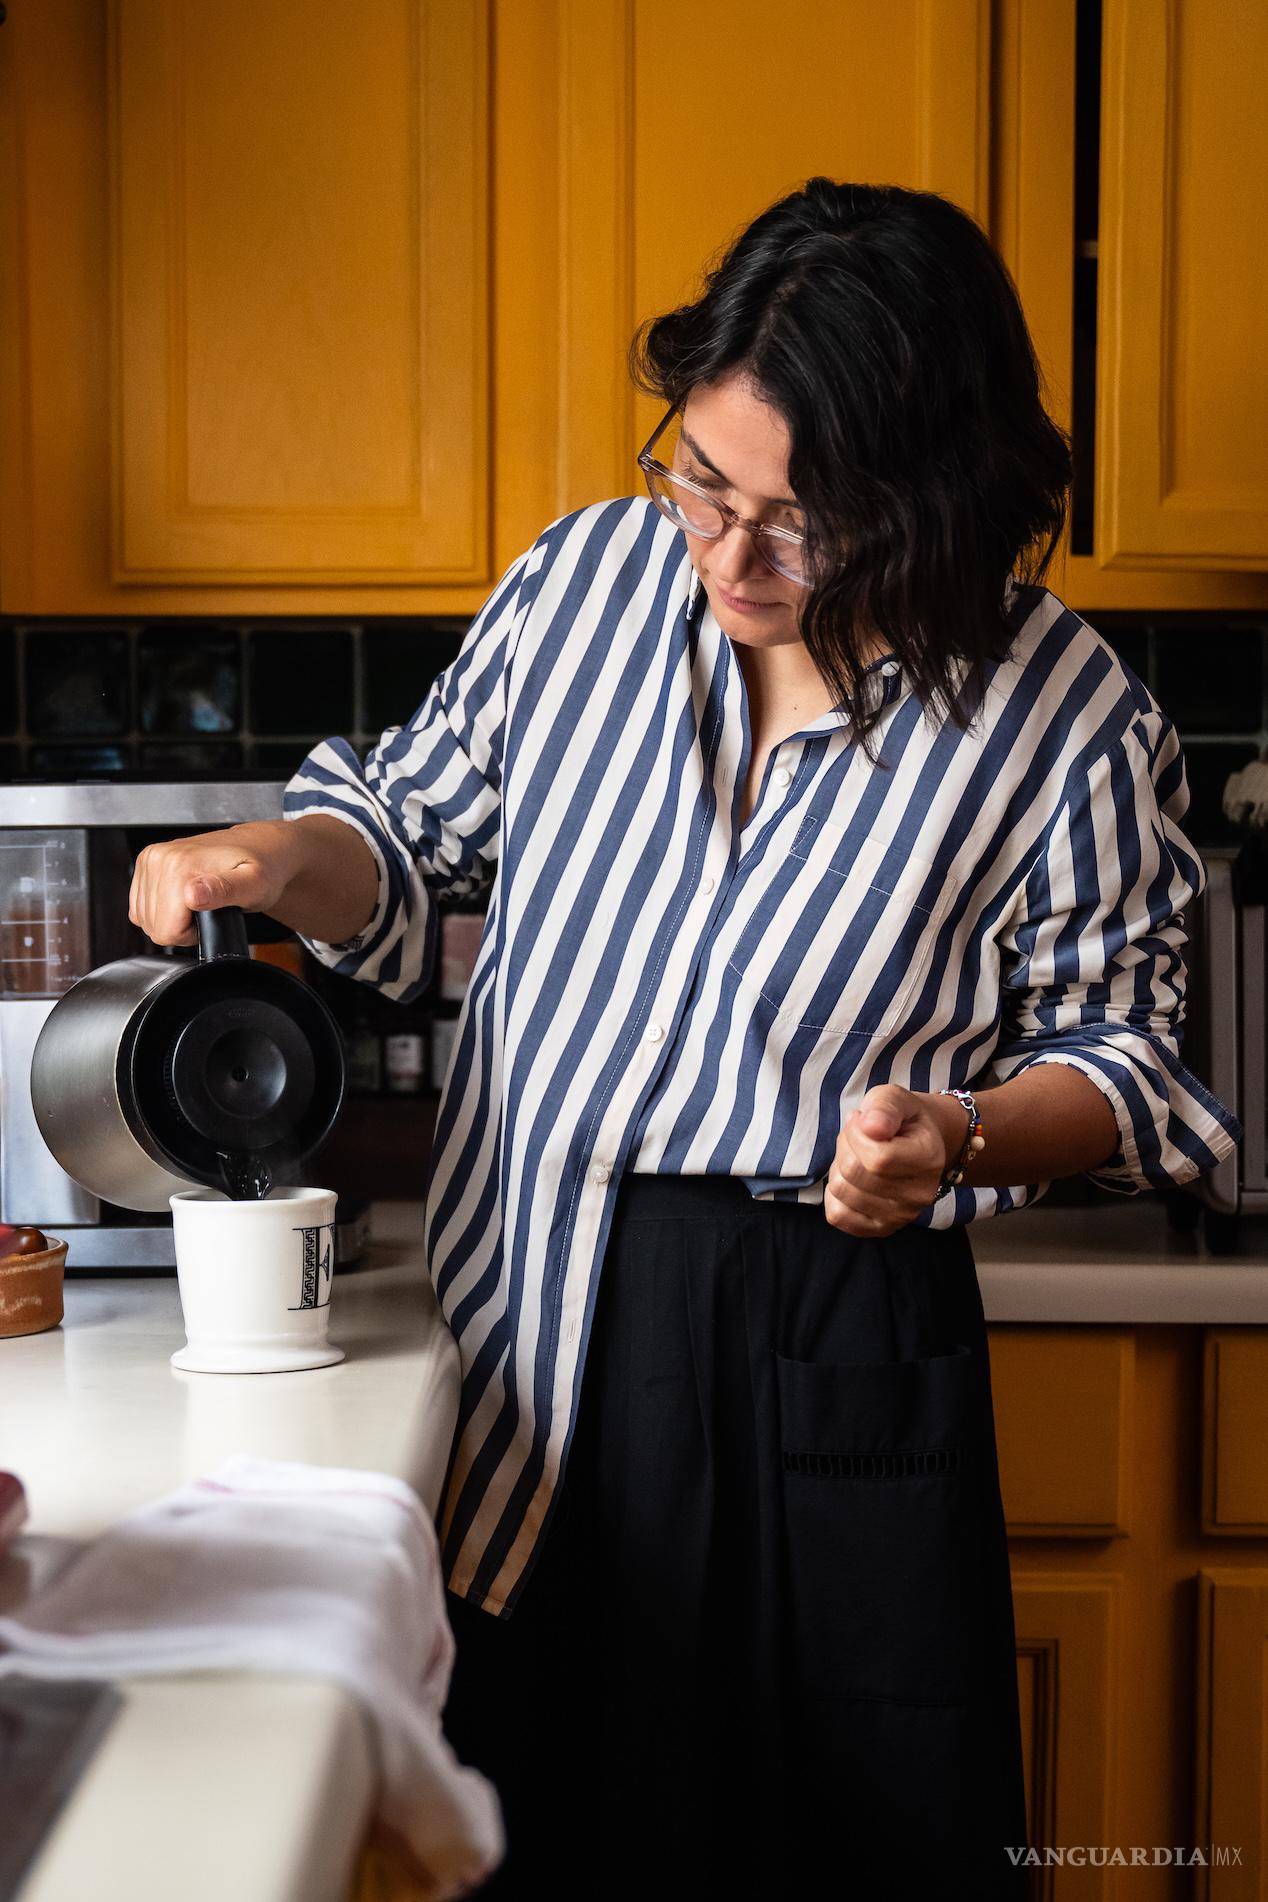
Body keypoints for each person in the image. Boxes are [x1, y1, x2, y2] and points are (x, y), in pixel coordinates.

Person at [130, 178, 1243, 1897]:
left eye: (805, 521)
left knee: (847, 1847)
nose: (731, 555)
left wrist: (952, 1136)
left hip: (832, 1320)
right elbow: (408, 835)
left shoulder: (1066, 711)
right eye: (705, 483)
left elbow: (1122, 1061)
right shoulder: (582, 586)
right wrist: (279, 854)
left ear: (935, 500)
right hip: (539, 1327)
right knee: (539, 1827)